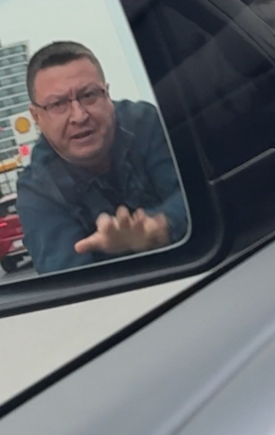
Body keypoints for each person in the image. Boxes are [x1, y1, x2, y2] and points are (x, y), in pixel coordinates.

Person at [16, 41, 188, 275]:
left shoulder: (146, 124)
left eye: (89, 95)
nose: (79, 116)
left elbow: (196, 194)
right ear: (36, 117)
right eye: (58, 104)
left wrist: (155, 229)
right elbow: (71, 281)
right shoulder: (37, 190)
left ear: (107, 94)